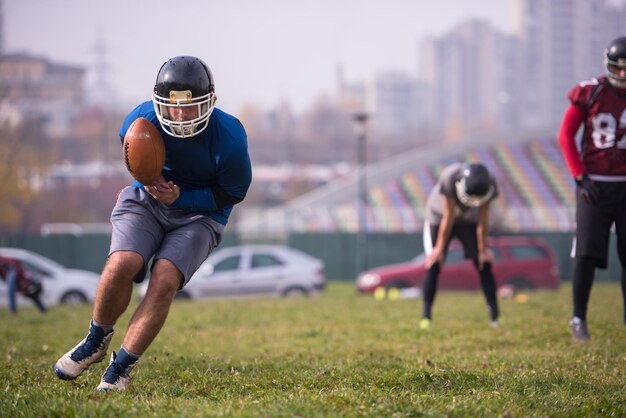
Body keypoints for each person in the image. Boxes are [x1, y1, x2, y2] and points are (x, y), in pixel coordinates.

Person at [54, 56, 253, 391]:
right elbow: (130, 147)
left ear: (211, 102)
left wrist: (182, 200)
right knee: (122, 263)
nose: (181, 115)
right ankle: (96, 339)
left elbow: (234, 193)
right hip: (147, 200)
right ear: (157, 102)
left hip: (201, 214)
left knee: (163, 278)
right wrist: (149, 176)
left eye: (191, 107)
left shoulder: (229, 137)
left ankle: (121, 368)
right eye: (172, 107)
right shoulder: (141, 118)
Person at [557, 36, 626, 342]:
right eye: (618, 68)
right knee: (585, 254)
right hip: (594, 185)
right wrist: (579, 176)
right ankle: (578, 319)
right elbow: (565, 135)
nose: (623, 75)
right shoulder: (591, 91)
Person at [420, 162, 500, 330]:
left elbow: (483, 219)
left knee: (483, 262)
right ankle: (426, 316)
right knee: (434, 262)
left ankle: (495, 316)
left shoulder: (489, 183)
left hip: (467, 220)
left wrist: (482, 249)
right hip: (439, 217)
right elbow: (448, 217)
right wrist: (439, 250)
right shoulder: (450, 177)